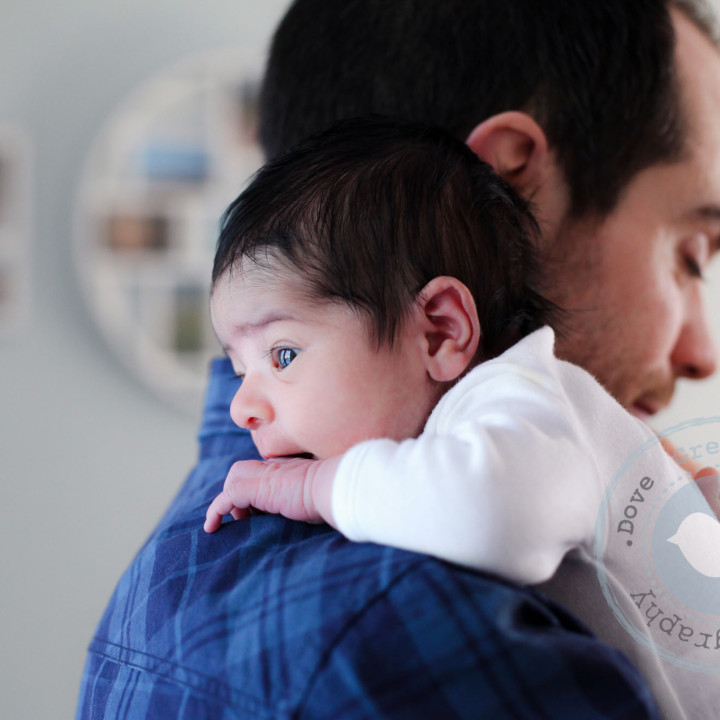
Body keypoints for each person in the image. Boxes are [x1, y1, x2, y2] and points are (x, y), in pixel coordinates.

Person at [77, 0, 720, 717]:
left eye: (282, 353)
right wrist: (319, 488)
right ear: (511, 185)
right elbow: (493, 508)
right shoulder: (414, 632)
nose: (704, 354)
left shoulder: (172, 580)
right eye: (691, 255)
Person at [203, 116, 720, 720]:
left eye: (282, 354)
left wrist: (316, 486)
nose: (242, 406)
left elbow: (494, 515)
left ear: (439, 331)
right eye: (240, 370)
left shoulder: (524, 399)